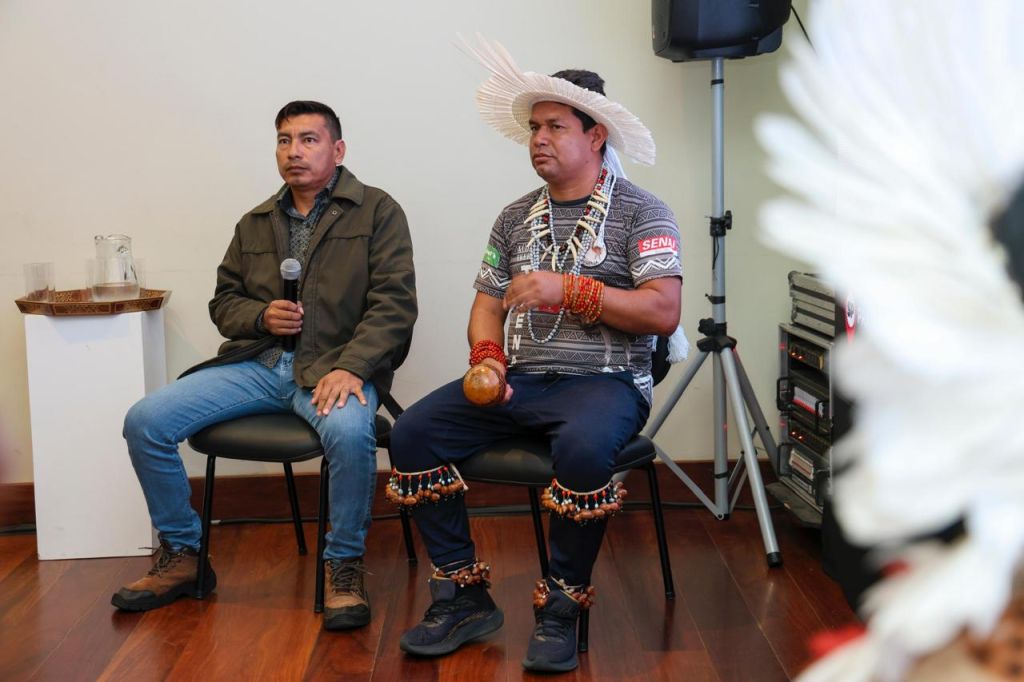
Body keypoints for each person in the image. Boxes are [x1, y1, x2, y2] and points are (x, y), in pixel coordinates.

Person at [387, 39, 682, 674]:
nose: (539, 139)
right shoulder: (515, 216)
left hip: (606, 383)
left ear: (596, 135)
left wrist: (570, 290)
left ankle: (562, 607)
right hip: (521, 378)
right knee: (411, 433)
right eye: (534, 128)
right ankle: (464, 596)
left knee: (582, 447)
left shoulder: (643, 211)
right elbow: (487, 303)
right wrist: (487, 360)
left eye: (555, 126)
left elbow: (663, 312)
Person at [111, 100, 417, 632]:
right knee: (145, 421)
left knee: (350, 431)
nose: (294, 151)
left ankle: (343, 565)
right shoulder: (255, 222)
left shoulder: (377, 211)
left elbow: (394, 304)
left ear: (338, 149)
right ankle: (183, 555)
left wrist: (354, 367)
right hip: (259, 364)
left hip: (335, 368)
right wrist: (260, 316)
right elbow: (223, 303)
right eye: (284, 140)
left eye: (308, 139)